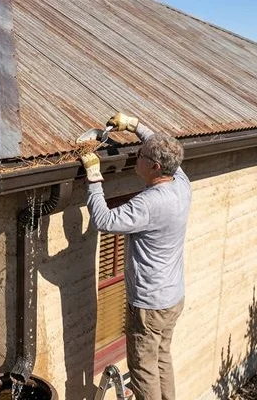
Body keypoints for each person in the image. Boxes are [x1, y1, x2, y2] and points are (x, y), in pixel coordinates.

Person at [81, 113, 191, 400]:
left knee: (143, 371)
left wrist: (94, 177)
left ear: (154, 167)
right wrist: (135, 126)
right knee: (162, 358)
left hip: (149, 306)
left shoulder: (149, 203)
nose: (135, 157)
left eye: (140, 155)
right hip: (172, 299)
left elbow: (104, 220)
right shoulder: (180, 181)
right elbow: (160, 146)